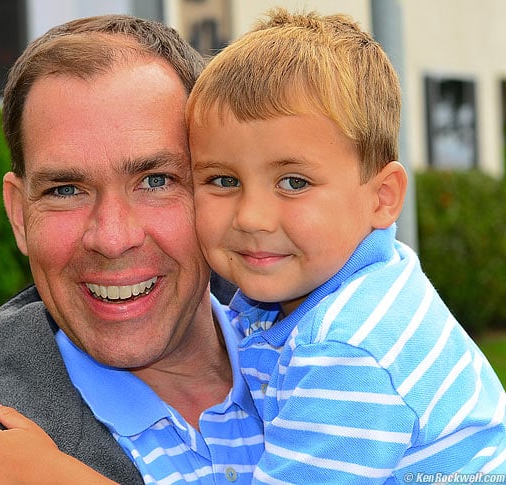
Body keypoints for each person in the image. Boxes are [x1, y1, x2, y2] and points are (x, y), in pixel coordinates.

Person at [0, 14, 262, 485]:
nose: (113, 237)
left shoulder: (357, 356)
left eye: (155, 181)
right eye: (65, 190)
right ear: (19, 215)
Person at [185, 7, 506, 483]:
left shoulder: (347, 349)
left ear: (382, 199)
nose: (251, 216)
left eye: (293, 182)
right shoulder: (360, 280)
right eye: (222, 179)